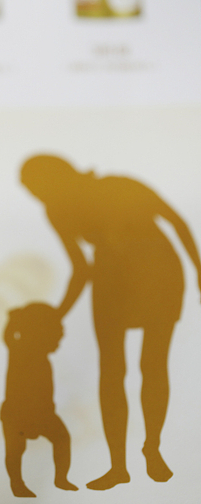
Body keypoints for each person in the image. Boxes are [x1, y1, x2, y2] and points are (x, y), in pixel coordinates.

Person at [20, 155, 201, 490]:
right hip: (111, 281)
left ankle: (152, 449)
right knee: (112, 372)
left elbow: (176, 221)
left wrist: (200, 270)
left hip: (158, 273)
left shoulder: (121, 185)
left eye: (39, 189)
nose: (40, 197)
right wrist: (57, 315)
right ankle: (118, 466)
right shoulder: (57, 212)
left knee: (153, 365)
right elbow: (81, 268)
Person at [1, 302, 78, 497]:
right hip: (16, 414)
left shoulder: (42, 359)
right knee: (15, 450)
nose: (58, 342)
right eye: (56, 337)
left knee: (62, 438)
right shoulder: (19, 350)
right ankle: (17, 483)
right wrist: (13, 319)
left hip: (43, 414)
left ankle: (61, 478)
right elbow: (8, 337)